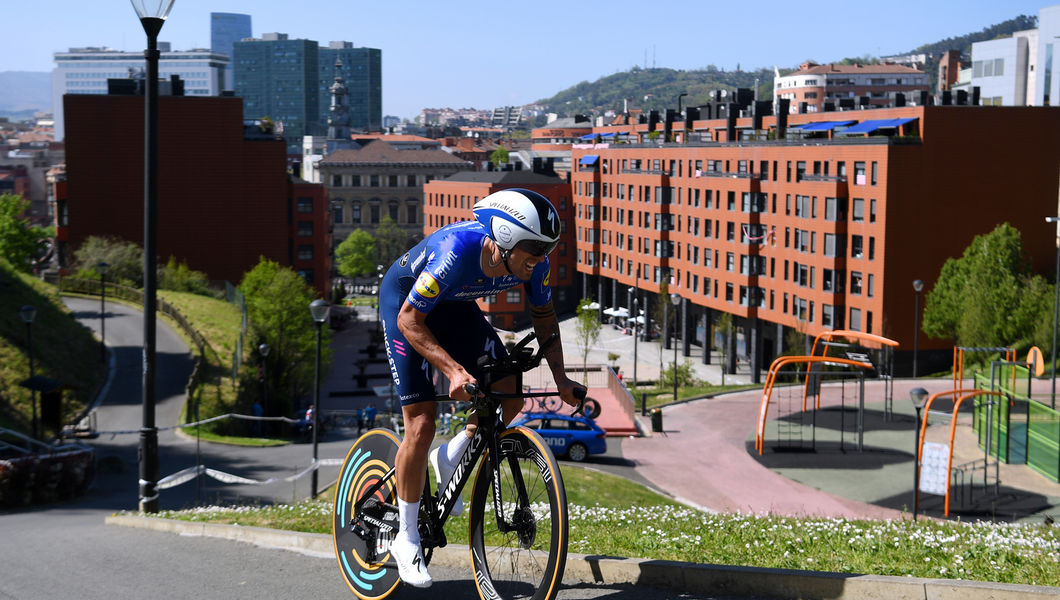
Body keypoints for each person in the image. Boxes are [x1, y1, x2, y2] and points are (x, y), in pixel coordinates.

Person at [377, 188, 583, 587]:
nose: (542, 259)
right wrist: (454, 372)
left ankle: (451, 456)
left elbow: (544, 319)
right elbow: (409, 321)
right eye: (535, 249)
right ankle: (406, 536)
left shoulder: (532, 264)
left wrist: (561, 381)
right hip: (405, 307)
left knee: (510, 395)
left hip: (453, 309)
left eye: (548, 249)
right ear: (505, 237)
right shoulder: (457, 250)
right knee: (421, 425)